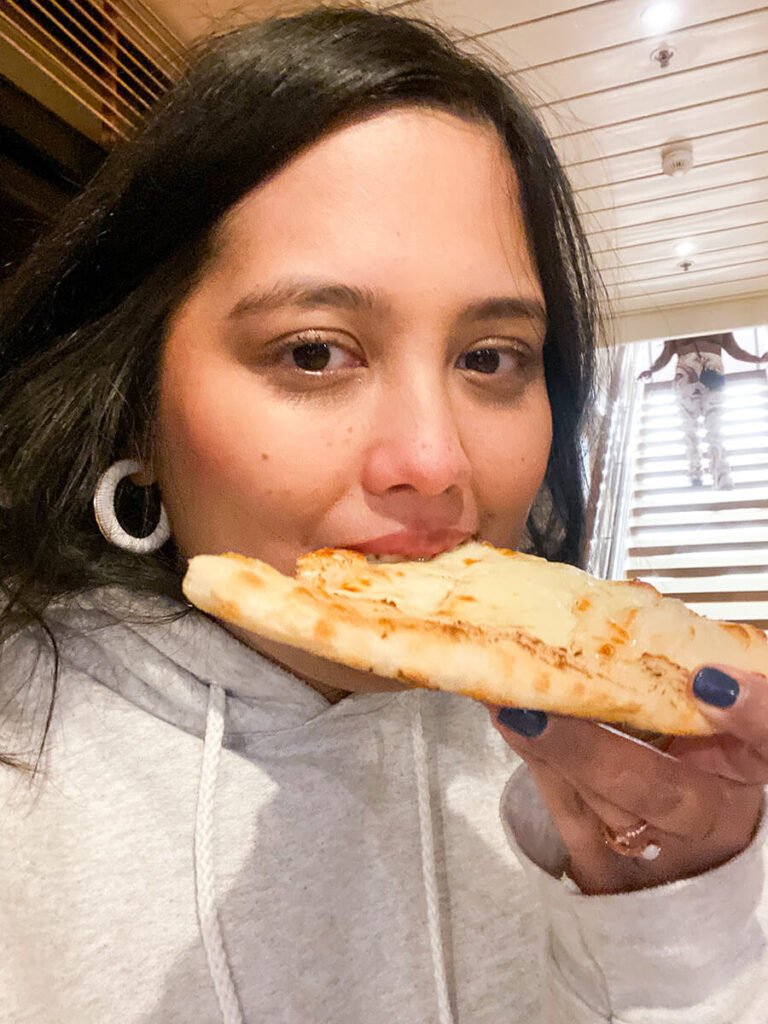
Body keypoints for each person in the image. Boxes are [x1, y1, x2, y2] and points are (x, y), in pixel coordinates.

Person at [2, 8, 768, 1023]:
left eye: (491, 357)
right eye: (314, 350)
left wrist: (677, 928)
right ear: (136, 390)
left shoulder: (636, 772)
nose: (436, 460)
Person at [638, 333, 768, 488]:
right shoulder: (683, 323)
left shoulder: (709, 322)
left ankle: (711, 474)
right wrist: (651, 370)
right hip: (698, 372)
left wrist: (758, 359)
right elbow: (665, 355)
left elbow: (735, 350)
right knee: (698, 427)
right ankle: (706, 472)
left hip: (698, 372)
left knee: (707, 427)